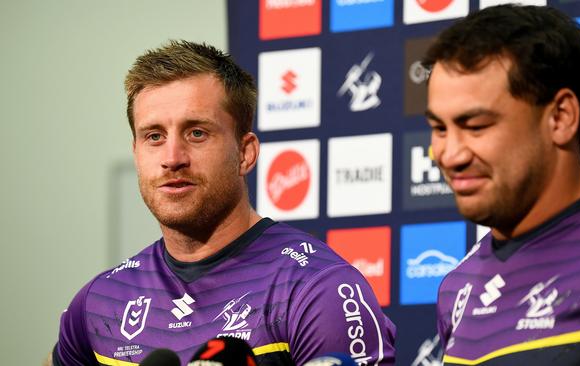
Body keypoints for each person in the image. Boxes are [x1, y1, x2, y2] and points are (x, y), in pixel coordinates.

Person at [50, 40, 396, 366]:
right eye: (154, 136)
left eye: (196, 133)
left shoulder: (317, 289)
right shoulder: (99, 302)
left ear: (245, 153)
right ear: (137, 152)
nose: (172, 158)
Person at [423, 4, 580, 365]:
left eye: (476, 126)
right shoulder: (457, 285)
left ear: (560, 117)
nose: (449, 155)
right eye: (439, 128)